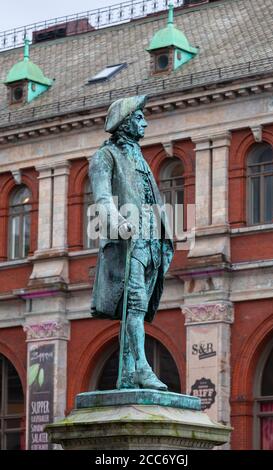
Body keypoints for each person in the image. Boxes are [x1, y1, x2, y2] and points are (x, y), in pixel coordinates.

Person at [89, 95, 174, 390]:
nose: (145, 122)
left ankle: (128, 372)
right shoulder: (105, 156)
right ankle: (141, 369)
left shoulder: (140, 158)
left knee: (138, 308)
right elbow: (101, 199)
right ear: (125, 123)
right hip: (129, 243)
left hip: (151, 243)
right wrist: (118, 223)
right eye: (139, 118)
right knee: (135, 306)